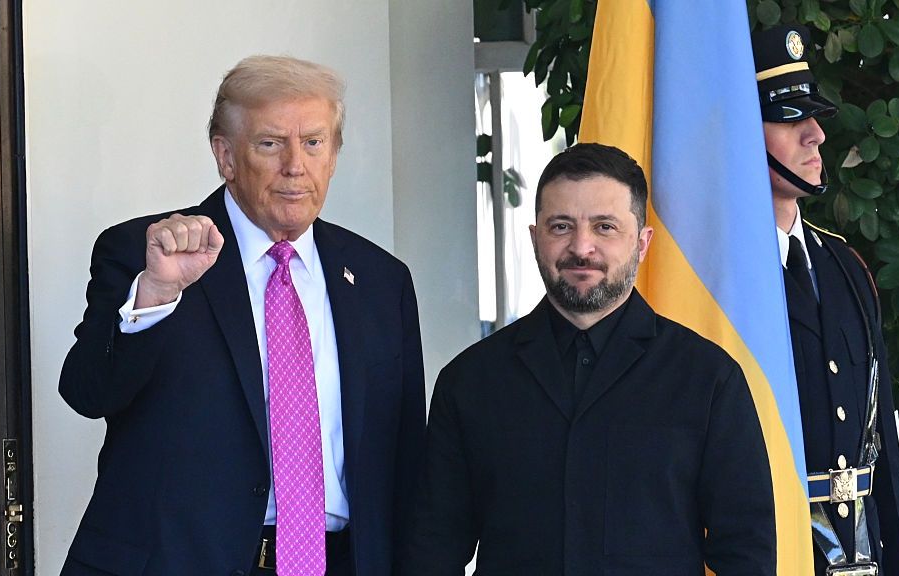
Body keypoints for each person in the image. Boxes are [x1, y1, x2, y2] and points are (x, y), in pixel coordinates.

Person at [58, 55, 425, 576]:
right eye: (271, 143)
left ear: (335, 155)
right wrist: (158, 291)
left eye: (314, 142)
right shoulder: (148, 253)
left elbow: (406, 460)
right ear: (225, 157)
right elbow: (88, 392)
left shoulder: (382, 281)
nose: (295, 165)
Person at [398, 143, 775, 575]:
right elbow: (433, 549)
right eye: (561, 226)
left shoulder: (709, 379)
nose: (582, 247)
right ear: (535, 237)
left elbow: (747, 551)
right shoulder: (469, 381)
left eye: (605, 227)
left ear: (642, 242)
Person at [753, 24, 899, 575]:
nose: (815, 135)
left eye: (813, 117)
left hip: (860, 552)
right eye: (790, 118)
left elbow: (881, 441)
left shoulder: (844, 265)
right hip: (769, 550)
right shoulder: (725, 280)